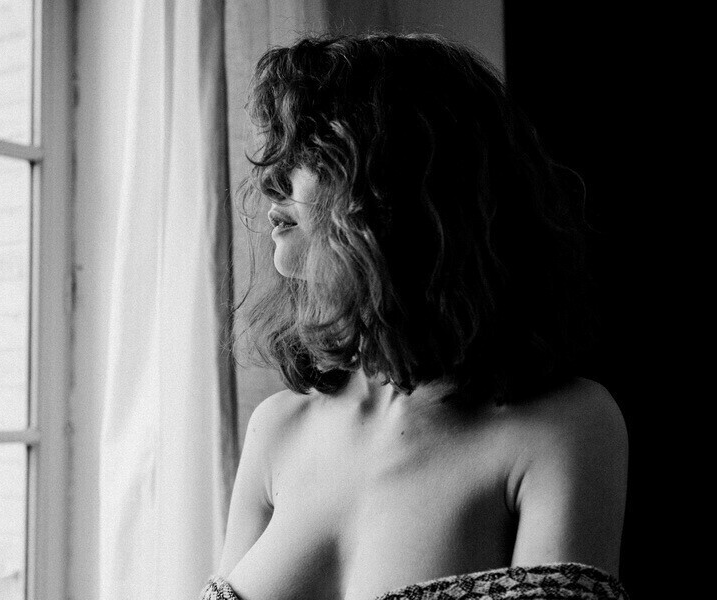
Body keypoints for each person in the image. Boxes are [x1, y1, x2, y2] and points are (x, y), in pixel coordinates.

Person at [201, 33, 629, 600]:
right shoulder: (277, 428)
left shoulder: (562, 427)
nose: (270, 181)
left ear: (400, 185)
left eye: (309, 150)